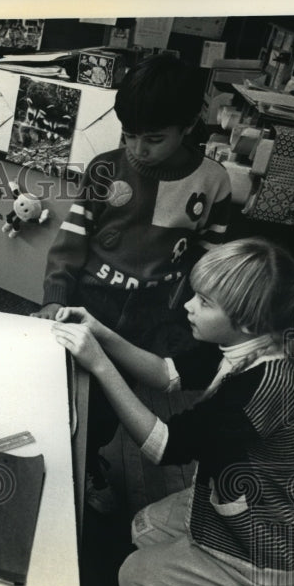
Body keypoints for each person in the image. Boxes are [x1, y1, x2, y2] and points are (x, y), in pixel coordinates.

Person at [50, 237, 294, 586]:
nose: (187, 306)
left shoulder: (262, 388)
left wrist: (99, 364)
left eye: (204, 302)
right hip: (232, 499)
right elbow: (166, 374)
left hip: (267, 545)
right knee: (140, 529)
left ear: (245, 320)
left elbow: (165, 446)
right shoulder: (246, 342)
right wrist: (102, 333)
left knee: (130, 582)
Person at [33, 53, 233, 513]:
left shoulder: (213, 181)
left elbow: (209, 260)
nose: (137, 149)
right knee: (57, 386)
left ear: (188, 126)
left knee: (108, 404)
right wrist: (54, 297)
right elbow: (70, 241)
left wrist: (187, 321)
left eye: (154, 138)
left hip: (150, 320)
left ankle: (87, 463)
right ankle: (52, 456)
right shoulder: (105, 168)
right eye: (129, 135)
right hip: (87, 302)